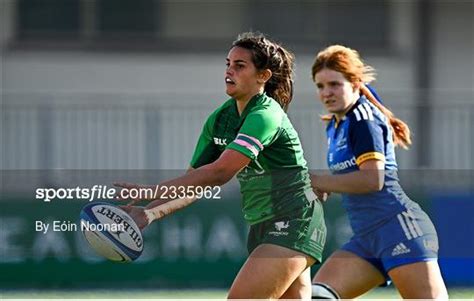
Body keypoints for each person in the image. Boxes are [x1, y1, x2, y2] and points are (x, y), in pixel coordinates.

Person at [115, 32, 327, 299]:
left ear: (264, 75)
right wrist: (150, 213)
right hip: (263, 225)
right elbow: (195, 183)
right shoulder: (220, 119)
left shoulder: (266, 114)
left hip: (294, 221)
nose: (229, 71)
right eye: (228, 64)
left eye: (240, 66)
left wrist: (151, 190)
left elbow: (220, 172)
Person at [309, 45, 448, 299]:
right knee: (318, 294)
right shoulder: (336, 124)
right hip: (367, 239)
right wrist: (326, 186)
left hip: (399, 228)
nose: (326, 93)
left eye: (334, 84)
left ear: (354, 83)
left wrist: (318, 181)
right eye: (320, 86)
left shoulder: (363, 119)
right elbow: (351, 178)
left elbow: (373, 180)